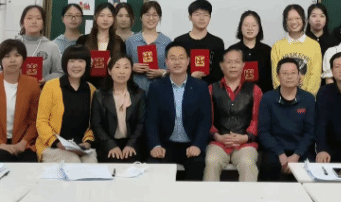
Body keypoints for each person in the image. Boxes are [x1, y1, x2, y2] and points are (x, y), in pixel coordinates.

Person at [146, 42, 211, 181]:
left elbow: (205, 120)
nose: (177, 62)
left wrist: (197, 145)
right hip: (165, 144)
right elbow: (151, 120)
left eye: (181, 58)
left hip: (191, 144)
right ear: (166, 62)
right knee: (154, 167)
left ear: (188, 61)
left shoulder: (200, 87)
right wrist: (155, 145)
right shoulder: (156, 87)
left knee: (198, 166)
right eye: (173, 58)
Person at [204, 45, 263, 182]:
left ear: (243, 65)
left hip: (245, 144)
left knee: (247, 163)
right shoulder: (211, 89)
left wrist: (246, 137)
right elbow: (207, 118)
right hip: (218, 142)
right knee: (211, 161)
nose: (233, 66)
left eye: (237, 62)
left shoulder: (255, 90)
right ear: (221, 65)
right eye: (229, 62)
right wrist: (217, 136)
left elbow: (257, 119)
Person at [36, 44, 97, 163]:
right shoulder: (51, 86)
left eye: (81, 61)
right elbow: (41, 121)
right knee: (73, 162)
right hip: (53, 146)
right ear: (65, 64)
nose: (76, 65)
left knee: (91, 165)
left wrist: (87, 142)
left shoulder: (92, 90)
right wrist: (57, 143)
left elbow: (93, 124)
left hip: (81, 147)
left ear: (87, 64)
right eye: (72, 61)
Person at [258, 57, 315, 181]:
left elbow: (310, 132)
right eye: (285, 73)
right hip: (275, 149)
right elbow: (264, 132)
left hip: (301, 149)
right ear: (278, 76)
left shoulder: (308, 99)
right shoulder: (268, 98)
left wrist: (296, 155)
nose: (289, 77)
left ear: (299, 76)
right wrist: (280, 153)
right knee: (269, 166)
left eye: (293, 73)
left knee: (309, 170)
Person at [91, 55, 145, 163]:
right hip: (107, 143)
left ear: (131, 70)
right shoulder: (99, 95)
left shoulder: (139, 94)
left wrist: (131, 145)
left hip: (132, 143)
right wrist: (110, 145)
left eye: (126, 67)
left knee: (132, 165)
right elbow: (96, 125)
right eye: (117, 67)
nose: (122, 71)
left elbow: (141, 123)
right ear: (109, 71)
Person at [271, 4, 323, 96]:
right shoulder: (277, 46)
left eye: (297, 18)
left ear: (303, 20)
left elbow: (315, 78)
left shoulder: (314, 45)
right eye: (290, 19)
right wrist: (285, 97)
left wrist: (305, 98)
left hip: (307, 99)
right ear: (285, 22)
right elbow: (276, 77)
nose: (294, 22)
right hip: (283, 99)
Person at [174, 0, 225, 85]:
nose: (202, 18)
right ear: (190, 17)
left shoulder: (217, 43)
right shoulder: (179, 42)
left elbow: (220, 73)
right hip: (184, 88)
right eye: (197, 14)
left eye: (205, 15)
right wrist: (190, 77)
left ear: (210, 18)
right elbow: (175, 69)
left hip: (210, 89)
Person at [126, 1, 172, 92]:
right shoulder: (131, 41)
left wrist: (162, 73)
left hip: (160, 90)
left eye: (155, 15)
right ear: (141, 17)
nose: (151, 18)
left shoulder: (167, 41)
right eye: (147, 15)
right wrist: (131, 67)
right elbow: (122, 64)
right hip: (135, 90)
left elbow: (174, 68)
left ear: (159, 18)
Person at [77, 3, 126, 88]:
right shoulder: (83, 40)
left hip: (111, 87)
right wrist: (85, 62)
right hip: (86, 86)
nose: (105, 19)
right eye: (101, 15)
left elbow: (123, 65)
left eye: (109, 16)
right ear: (95, 17)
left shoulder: (119, 42)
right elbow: (75, 62)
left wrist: (114, 64)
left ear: (114, 19)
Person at [16, 5, 62, 82]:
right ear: (22, 23)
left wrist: (45, 79)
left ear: (43, 23)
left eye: (38, 18)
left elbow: (60, 72)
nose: (34, 22)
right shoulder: (13, 45)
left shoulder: (52, 46)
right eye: (29, 18)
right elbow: (2, 69)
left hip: (43, 88)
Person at [231, 10, 273, 93]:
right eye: (246, 25)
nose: (250, 28)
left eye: (253, 25)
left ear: (259, 28)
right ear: (240, 27)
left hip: (263, 97)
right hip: (237, 99)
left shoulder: (267, 51)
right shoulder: (232, 51)